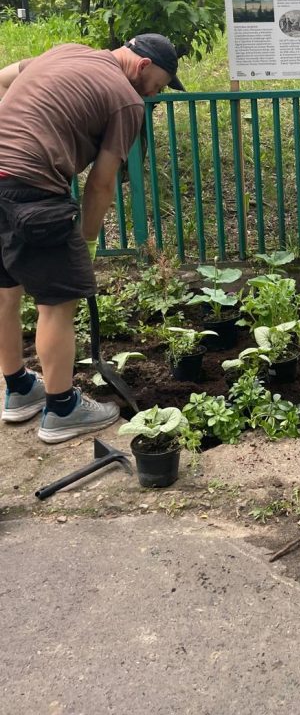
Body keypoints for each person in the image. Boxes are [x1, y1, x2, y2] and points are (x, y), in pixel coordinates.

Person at [0, 34, 184, 443]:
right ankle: (62, 409)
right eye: (157, 85)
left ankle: (18, 388)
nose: (154, 95)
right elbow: (101, 183)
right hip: (32, 188)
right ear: (142, 65)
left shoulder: (67, 52)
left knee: (5, 290)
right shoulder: (126, 100)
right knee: (57, 302)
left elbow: (3, 78)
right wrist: (86, 241)